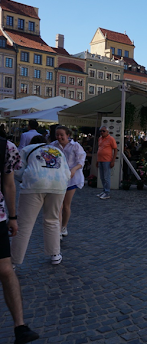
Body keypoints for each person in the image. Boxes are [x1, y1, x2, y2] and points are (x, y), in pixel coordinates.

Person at [0, 135, 40, 343]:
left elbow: (8, 184)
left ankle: (20, 327)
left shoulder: (5, 147)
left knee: (6, 270)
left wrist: (13, 217)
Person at [11, 135, 70, 267]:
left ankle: (14, 261)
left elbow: (18, 171)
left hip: (34, 185)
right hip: (58, 185)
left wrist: (23, 180)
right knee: (53, 219)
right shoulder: (57, 150)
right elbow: (67, 172)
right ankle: (55, 254)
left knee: (24, 224)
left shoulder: (27, 149)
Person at [51, 126, 86, 240]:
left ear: (68, 135)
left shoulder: (76, 146)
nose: (59, 137)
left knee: (66, 205)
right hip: (57, 178)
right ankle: (58, 230)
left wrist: (74, 169)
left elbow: (81, 161)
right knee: (59, 206)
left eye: (61, 135)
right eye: (57, 135)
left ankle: (64, 227)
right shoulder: (53, 145)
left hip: (71, 178)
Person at [96, 126, 117, 200]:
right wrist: (97, 160)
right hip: (100, 160)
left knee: (106, 177)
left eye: (103, 131)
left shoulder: (111, 139)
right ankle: (104, 190)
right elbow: (99, 149)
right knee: (102, 177)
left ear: (107, 132)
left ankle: (107, 192)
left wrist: (113, 160)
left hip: (107, 160)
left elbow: (115, 150)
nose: (102, 132)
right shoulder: (100, 139)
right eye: (101, 131)